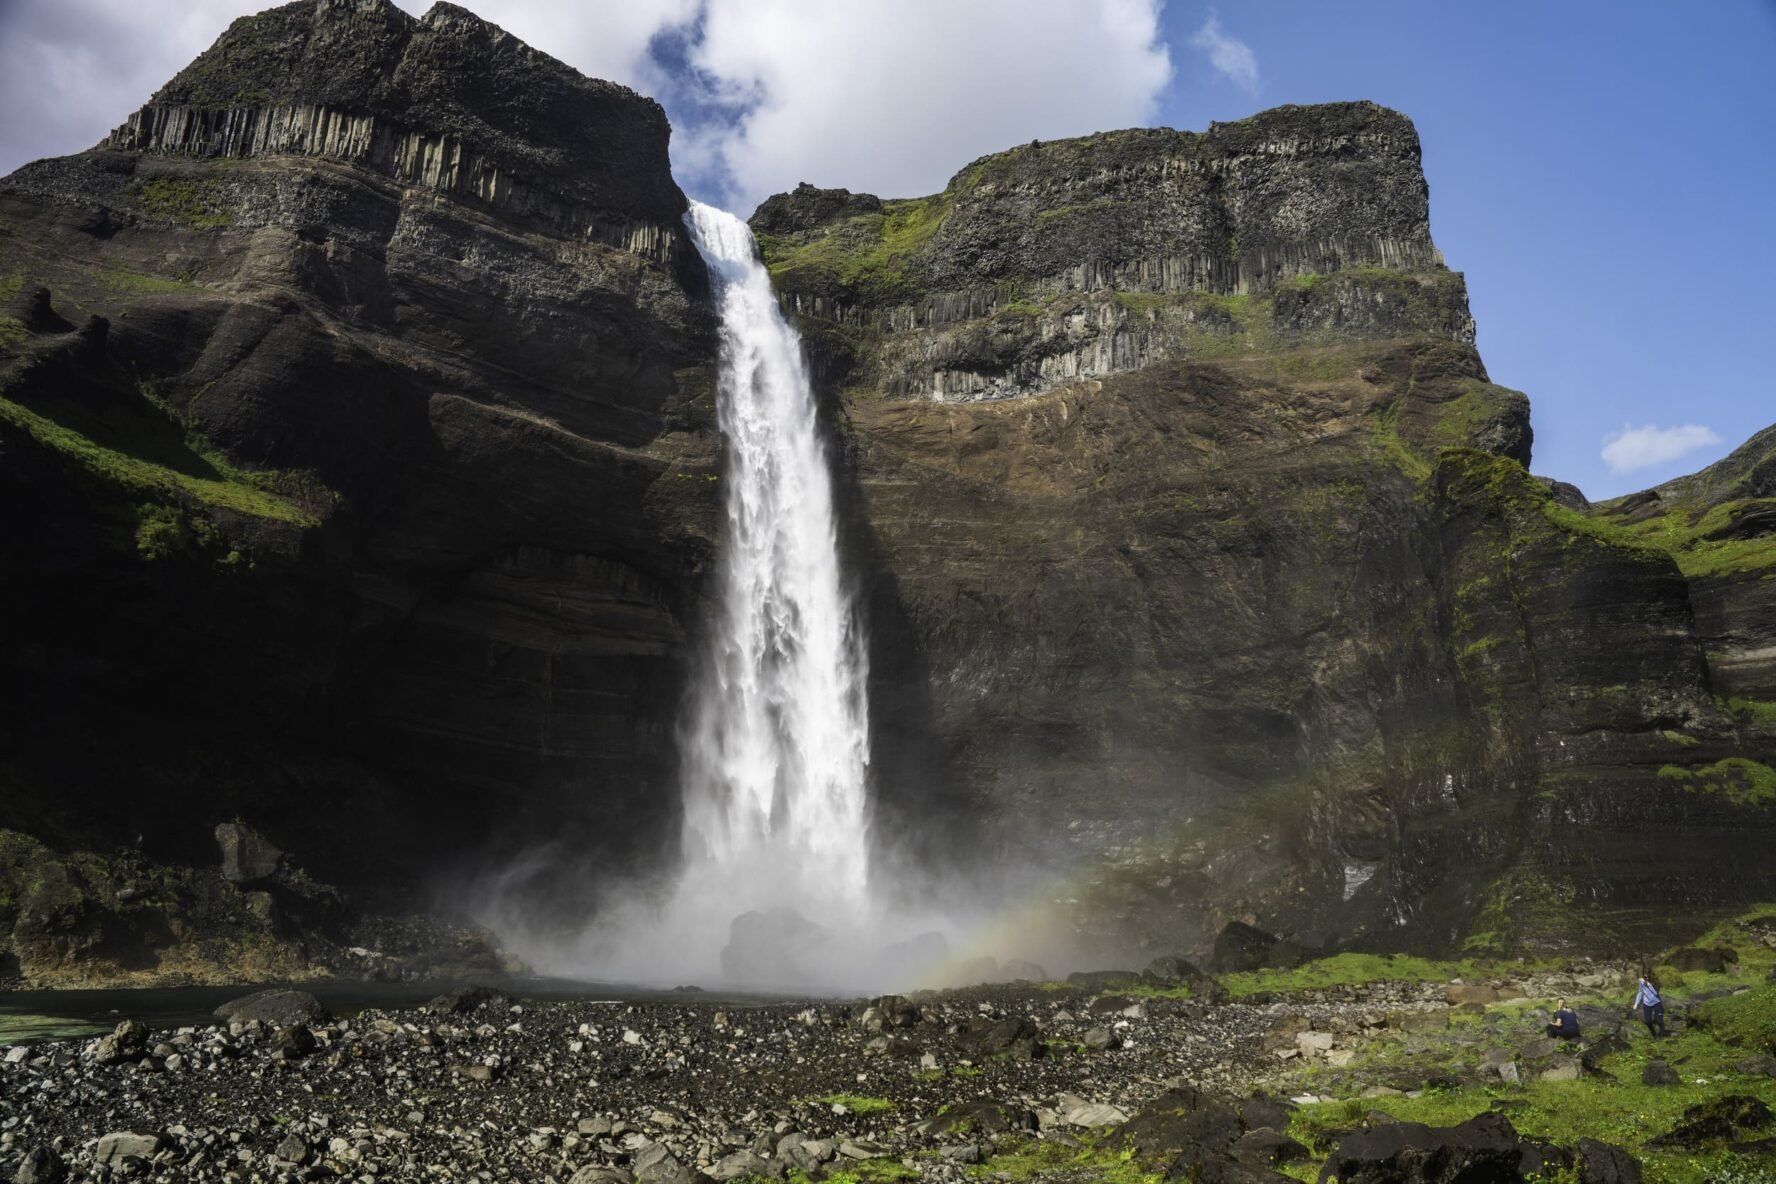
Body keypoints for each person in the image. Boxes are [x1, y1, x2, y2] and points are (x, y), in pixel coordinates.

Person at [1632, 968, 1668, 1036]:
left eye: (1648, 977)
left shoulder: (1655, 982)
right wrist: (1636, 1004)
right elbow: (1640, 992)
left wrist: (1649, 985)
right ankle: (1654, 1035)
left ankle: (1663, 1035)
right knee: (1648, 1022)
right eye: (1645, 977)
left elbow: (1655, 993)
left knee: (1659, 1021)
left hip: (1656, 1002)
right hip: (1647, 1003)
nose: (1647, 978)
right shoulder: (1641, 981)